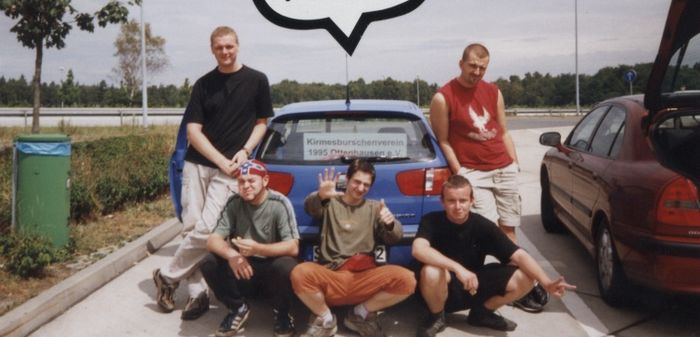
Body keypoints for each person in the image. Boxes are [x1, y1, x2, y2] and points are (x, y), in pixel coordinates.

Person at [152, 26, 274, 320]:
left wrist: (245, 151)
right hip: (199, 164)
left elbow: (262, 123)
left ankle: (167, 276)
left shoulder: (257, 80)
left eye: (229, 46)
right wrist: (219, 160)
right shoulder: (203, 85)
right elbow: (193, 132)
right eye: (219, 47)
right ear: (212, 49)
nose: (225, 52)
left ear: (238, 46)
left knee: (207, 230)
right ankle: (198, 294)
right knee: (192, 228)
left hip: (233, 169)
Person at [430, 42, 547, 312]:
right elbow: (444, 140)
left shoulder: (494, 92)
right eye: (472, 66)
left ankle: (519, 284)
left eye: (482, 68)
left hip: (503, 167)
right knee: (487, 230)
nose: (477, 72)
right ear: (461, 64)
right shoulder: (443, 97)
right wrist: (460, 172)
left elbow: (503, 131)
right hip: (473, 172)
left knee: (509, 230)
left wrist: (514, 163)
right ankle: (479, 288)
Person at [412, 175, 576, 337]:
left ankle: (482, 314)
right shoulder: (431, 220)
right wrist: (458, 268)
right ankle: (436, 317)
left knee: (526, 277)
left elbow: (519, 255)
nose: (458, 206)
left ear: (472, 201)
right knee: (431, 271)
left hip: (472, 286)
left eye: (463, 200)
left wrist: (546, 283)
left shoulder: (483, 225)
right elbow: (418, 249)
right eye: (451, 201)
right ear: (442, 201)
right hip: (437, 290)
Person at [291, 159, 416, 337]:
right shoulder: (330, 203)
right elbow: (310, 208)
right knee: (300, 273)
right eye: (357, 182)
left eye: (366, 184)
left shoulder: (375, 208)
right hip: (332, 276)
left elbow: (395, 237)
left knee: (407, 280)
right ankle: (326, 319)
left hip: (363, 278)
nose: (360, 188)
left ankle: (359, 314)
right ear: (347, 179)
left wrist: (390, 224)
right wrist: (320, 195)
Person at [200, 159, 300, 337]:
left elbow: (293, 247)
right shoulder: (234, 202)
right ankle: (238, 307)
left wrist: (258, 249)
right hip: (244, 268)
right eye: (241, 181)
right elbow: (212, 240)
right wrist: (232, 255)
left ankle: (282, 313)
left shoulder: (279, 203)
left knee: (286, 266)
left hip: (271, 270)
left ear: (265, 180)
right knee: (209, 262)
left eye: (251, 181)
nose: (246, 186)